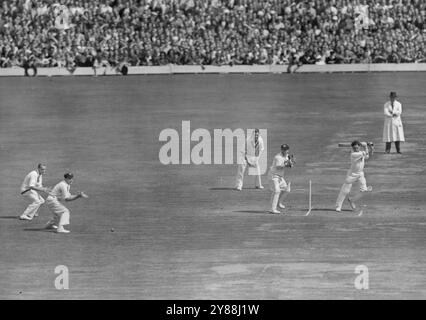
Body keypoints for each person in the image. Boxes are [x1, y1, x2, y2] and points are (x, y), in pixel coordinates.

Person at [335, 141, 372, 212]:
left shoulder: (360, 152)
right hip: (352, 175)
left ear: (359, 147)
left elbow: (367, 157)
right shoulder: (353, 154)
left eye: (357, 147)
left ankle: (352, 200)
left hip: (360, 174)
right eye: (354, 148)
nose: (356, 149)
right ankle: (338, 206)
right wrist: (367, 146)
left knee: (364, 190)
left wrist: (366, 146)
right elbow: (366, 153)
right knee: (345, 191)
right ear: (352, 148)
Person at [268, 144, 294, 214]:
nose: (284, 151)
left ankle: (279, 203)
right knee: (276, 191)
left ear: (288, 150)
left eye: (286, 150)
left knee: (287, 189)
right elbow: (279, 167)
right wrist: (287, 164)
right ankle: (272, 209)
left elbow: (290, 165)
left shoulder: (287, 156)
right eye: (283, 149)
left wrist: (291, 163)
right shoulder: (277, 157)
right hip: (274, 176)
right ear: (281, 150)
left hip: (280, 177)